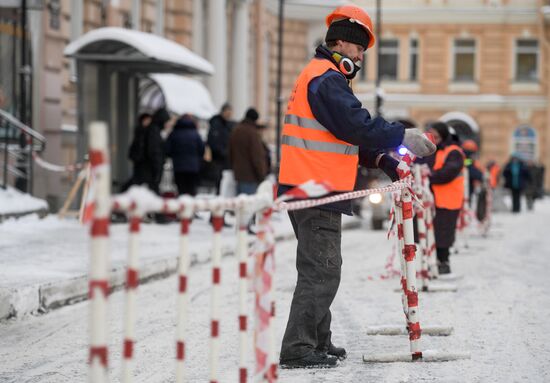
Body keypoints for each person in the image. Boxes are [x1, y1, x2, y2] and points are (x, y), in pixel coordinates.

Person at [277, 5, 436, 369]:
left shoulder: (322, 76)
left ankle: (318, 339)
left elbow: (343, 138)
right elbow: (357, 125)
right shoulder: (327, 78)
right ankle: (298, 347)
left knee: (320, 267)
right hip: (315, 189)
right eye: (360, 49)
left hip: (308, 186)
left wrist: (383, 161)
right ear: (345, 44)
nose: (362, 56)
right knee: (322, 269)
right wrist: (402, 136)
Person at [426, 122, 465, 275]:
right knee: (433, 232)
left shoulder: (453, 151)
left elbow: (448, 172)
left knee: (444, 233)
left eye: (436, 135)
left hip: (448, 199)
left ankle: (444, 262)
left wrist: (428, 178)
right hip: (433, 199)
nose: (433, 138)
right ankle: (432, 261)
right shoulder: (435, 150)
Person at [228, 108, 268, 195]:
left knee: (239, 205)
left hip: (238, 174)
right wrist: (262, 175)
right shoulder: (252, 133)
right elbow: (257, 157)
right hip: (251, 176)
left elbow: (230, 152)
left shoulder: (236, 130)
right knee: (249, 206)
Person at [164, 115, 205, 196]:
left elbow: (167, 149)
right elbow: (202, 149)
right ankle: (191, 207)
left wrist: (175, 156)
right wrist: (197, 159)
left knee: (181, 190)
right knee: (191, 190)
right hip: (193, 167)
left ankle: (182, 206)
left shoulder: (174, 133)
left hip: (178, 167)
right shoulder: (195, 134)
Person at [207, 103, 235, 193]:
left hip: (227, 160)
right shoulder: (216, 124)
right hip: (218, 160)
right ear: (223, 112)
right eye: (227, 112)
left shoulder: (230, 125)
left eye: (230, 113)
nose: (229, 115)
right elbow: (213, 142)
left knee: (226, 184)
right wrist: (223, 152)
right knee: (219, 182)